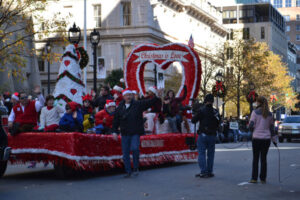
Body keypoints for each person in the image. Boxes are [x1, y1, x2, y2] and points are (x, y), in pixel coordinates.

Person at [112, 88, 162, 178]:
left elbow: (149, 102)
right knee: (125, 153)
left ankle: (135, 167)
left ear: (132, 96)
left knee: (135, 148)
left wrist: (157, 97)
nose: (129, 97)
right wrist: (114, 131)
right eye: (127, 95)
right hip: (125, 133)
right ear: (123, 97)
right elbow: (116, 121)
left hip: (135, 132)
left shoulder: (138, 104)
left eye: (130, 95)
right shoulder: (119, 107)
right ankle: (128, 171)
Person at [249, 96, 277, 184]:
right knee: (263, 159)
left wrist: (251, 130)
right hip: (266, 139)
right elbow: (272, 128)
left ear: (258, 102)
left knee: (255, 158)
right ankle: (263, 178)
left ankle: (254, 178)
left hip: (256, 138)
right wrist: (274, 140)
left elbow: (251, 125)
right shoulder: (269, 114)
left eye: (257, 102)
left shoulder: (255, 112)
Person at [192, 94, 220, 178]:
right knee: (211, 154)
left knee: (201, 153)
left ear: (205, 101)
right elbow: (219, 122)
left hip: (203, 134)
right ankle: (209, 171)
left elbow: (193, 120)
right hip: (212, 135)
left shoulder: (202, 110)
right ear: (212, 101)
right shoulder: (215, 112)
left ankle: (203, 171)